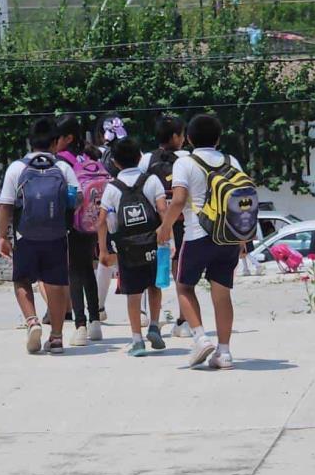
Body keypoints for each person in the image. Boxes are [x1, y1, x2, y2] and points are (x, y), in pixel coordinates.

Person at [160, 114, 244, 370]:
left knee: (184, 287)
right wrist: (242, 238)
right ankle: (225, 352)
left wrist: (164, 228)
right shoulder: (232, 161)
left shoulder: (185, 163)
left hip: (198, 234)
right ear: (218, 138)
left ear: (188, 138)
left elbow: (178, 200)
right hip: (229, 236)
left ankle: (200, 337)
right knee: (222, 293)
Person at [0, 117, 79, 354]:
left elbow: (6, 205)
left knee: (22, 280)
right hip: (56, 235)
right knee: (55, 285)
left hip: (26, 236)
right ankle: (56, 337)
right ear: (56, 142)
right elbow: (77, 198)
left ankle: (32, 321)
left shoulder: (17, 168)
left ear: (30, 141)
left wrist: (3, 236)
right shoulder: (63, 168)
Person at [97, 137, 168, 357]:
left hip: (127, 248)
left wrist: (103, 250)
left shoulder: (112, 188)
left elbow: (102, 221)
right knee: (155, 287)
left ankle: (137, 340)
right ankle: (154, 325)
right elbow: (163, 210)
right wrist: (169, 240)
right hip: (153, 244)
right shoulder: (152, 180)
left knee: (133, 294)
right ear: (139, 157)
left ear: (115, 162)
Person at [140, 114, 192, 337]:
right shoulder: (188, 158)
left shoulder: (147, 159)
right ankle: (183, 320)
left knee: (151, 272)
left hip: (155, 224)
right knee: (181, 271)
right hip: (184, 222)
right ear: (175, 136)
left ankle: (150, 317)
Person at [55, 115, 104, 346]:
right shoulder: (89, 156)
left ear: (68, 137)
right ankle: (95, 323)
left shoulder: (62, 161)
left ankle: (80, 325)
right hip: (92, 220)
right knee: (87, 270)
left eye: (59, 137)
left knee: (74, 272)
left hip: (73, 222)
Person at [94, 113, 129, 323]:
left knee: (104, 259)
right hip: (132, 208)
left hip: (106, 209)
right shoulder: (135, 151)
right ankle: (141, 312)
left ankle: (97, 308)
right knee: (135, 258)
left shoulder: (97, 154)